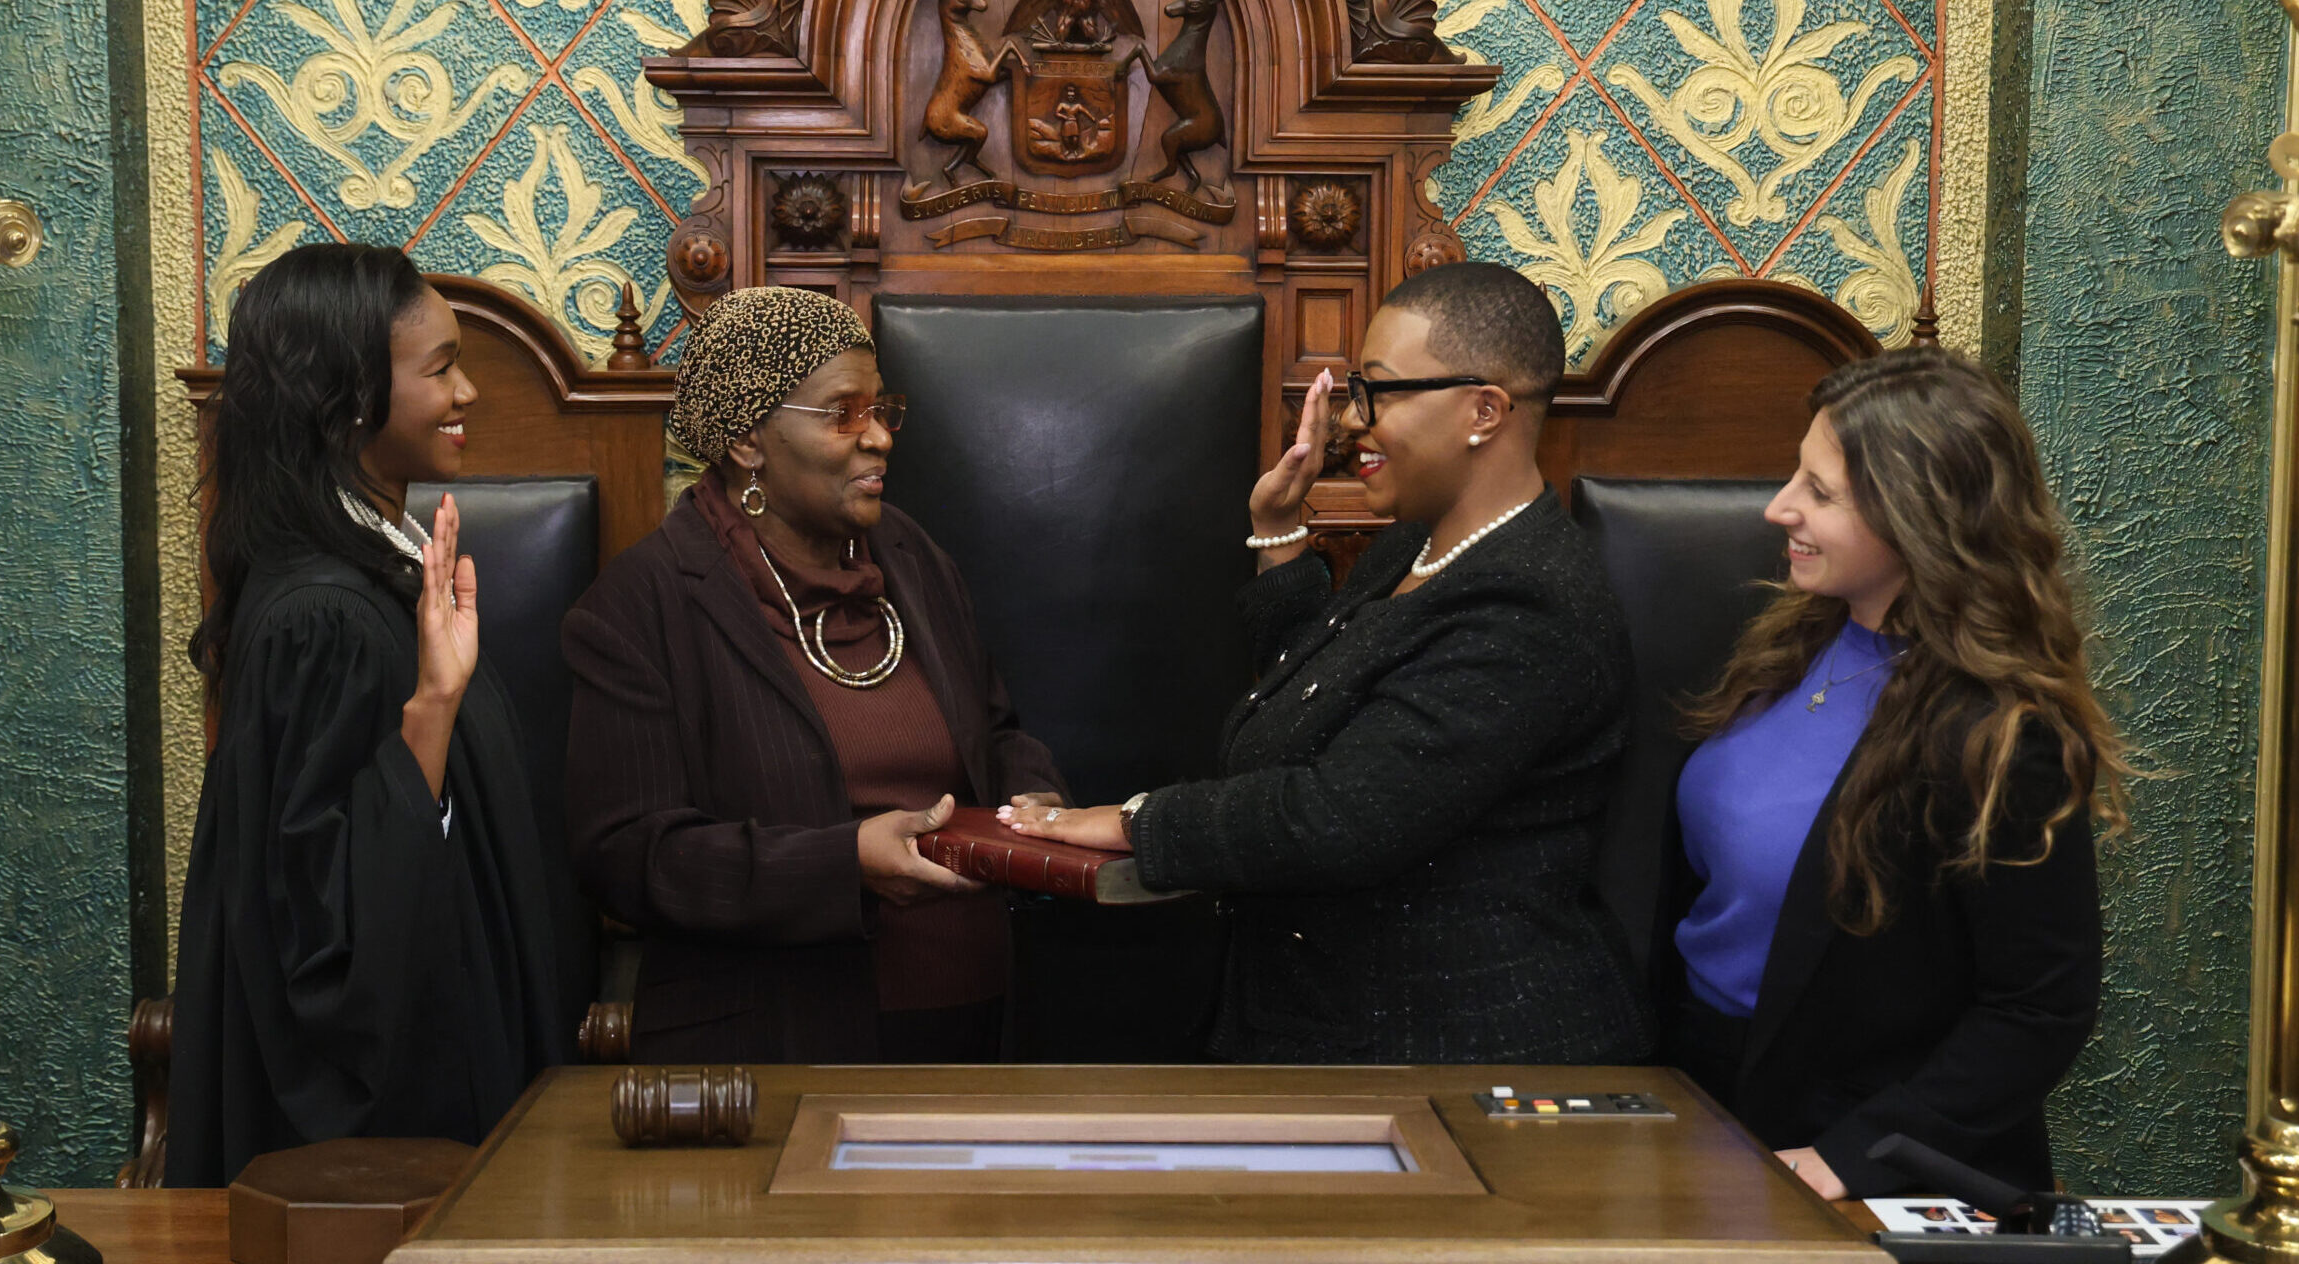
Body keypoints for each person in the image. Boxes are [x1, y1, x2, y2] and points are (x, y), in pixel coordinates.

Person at [1002, 262, 1650, 1066]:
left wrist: (1134, 821)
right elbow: (1311, 702)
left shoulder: (1532, 602)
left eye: (1377, 392)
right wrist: (1279, 531)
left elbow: (1341, 817)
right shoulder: (1417, 544)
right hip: (1329, 1016)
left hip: (1455, 1049)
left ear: (1484, 411)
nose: (1350, 421)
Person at [1658, 347, 2125, 1199]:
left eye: (1820, 492)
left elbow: (2039, 1010)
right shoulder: (1789, 636)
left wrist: (1851, 1158)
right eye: (1794, 475)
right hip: (1701, 1099)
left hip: (1854, 1161)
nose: (1778, 508)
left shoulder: (2004, 735)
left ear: (1919, 516)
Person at [563, 285, 1065, 1065]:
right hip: (779, 1046)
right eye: (843, 414)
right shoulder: (642, 606)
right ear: (747, 443)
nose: (879, 440)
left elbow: (993, 732)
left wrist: (1036, 801)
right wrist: (844, 866)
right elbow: (628, 859)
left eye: (881, 409)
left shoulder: (910, 554)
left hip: (978, 1030)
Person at [168, 243, 582, 1185]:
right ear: (351, 397)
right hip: (374, 1157)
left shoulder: (378, 575)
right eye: (440, 369)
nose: (468, 392)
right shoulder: (325, 618)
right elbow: (324, 927)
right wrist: (436, 702)